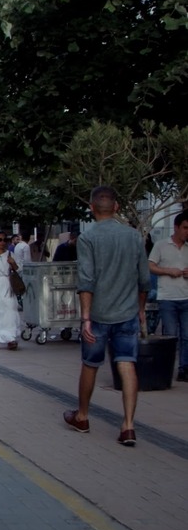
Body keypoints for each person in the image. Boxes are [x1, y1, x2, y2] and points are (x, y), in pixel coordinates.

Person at [64, 186, 150, 447]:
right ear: (116, 207)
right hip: (126, 313)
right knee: (127, 364)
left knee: (91, 364)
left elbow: (86, 281)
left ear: (91, 208)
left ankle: (82, 416)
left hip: (98, 315)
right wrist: (141, 309)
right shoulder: (134, 237)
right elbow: (144, 279)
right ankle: (128, 426)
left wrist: (86, 317)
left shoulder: (88, 239)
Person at [148, 210, 188, 382]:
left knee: (187, 336)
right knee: (170, 335)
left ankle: (184, 369)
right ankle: (166, 369)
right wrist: (168, 271)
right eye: (185, 228)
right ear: (176, 227)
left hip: (186, 296)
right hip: (168, 297)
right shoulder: (161, 245)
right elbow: (150, 265)